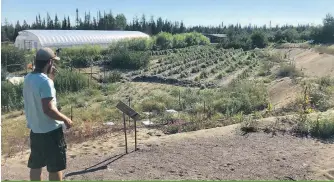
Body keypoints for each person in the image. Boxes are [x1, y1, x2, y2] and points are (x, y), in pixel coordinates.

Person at [23, 47, 73, 181]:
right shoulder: (46, 82)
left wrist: (51, 78)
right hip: (51, 132)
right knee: (55, 167)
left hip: (36, 130)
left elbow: (39, 95)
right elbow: (48, 109)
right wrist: (66, 119)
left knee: (36, 165)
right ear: (49, 62)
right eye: (53, 62)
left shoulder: (28, 78)